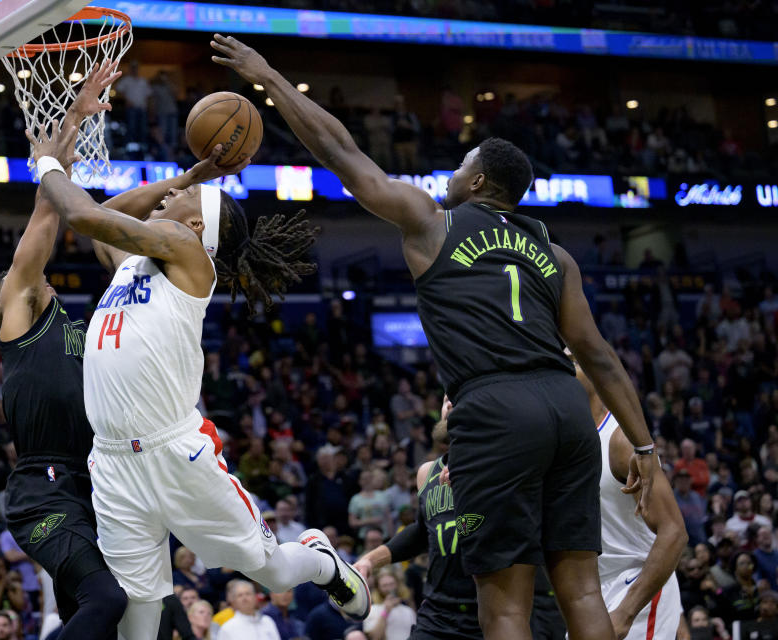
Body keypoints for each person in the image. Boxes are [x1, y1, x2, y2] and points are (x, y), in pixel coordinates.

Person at [210, 34, 657, 640]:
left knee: (503, 606)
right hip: (567, 408)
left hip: (498, 409)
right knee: (581, 590)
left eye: (461, 165)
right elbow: (599, 356)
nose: (452, 173)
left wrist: (268, 76)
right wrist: (645, 446)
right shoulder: (556, 255)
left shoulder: (432, 222)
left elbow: (340, 150)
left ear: (477, 183)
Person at [25, 61, 365, 639]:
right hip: (112, 461)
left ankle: (321, 558)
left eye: (184, 199)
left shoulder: (190, 259)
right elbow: (99, 222)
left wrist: (48, 163)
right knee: (139, 614)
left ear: (194, 226)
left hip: (177, 453)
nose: (168, 199)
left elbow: (83, 213)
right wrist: (195, 172)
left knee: (272, 569)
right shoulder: (137, 263)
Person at [0, 64, 130, 640]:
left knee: (92, 619)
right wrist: (69, 124)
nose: (37, 274)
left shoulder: (79, 326)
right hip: (42, 489)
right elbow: (49, 211)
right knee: (105, 601)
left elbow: (111, 250)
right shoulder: (20, 321)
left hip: (94, 480)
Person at [573, 352, 687, 638]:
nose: (559, 369)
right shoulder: (564, 443)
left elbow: (673, 532)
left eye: (572, 361)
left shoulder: (621, 439)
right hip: (589, 595)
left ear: (595, 372)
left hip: (633, 592)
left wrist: (625, 613)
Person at [355, 401, 482, 640]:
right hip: (438, 612)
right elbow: (423, 533)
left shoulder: (499, 463)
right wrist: (370, 560)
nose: (449, 404)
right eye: (445, 400)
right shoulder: (427, 472)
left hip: (488, 609)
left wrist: (473, 482)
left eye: (456, 395)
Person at [361, 569, 416, 640]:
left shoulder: (408, 611)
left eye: (391, 584)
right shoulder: (372, 610)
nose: (389, 588)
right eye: (385, 585)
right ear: (378, 588)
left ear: (397, 584)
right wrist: (386, 612)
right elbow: (374, 637)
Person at [216, 580, 280, 640]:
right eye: (240, 595)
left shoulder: (267, 621)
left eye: (248, 594)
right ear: (234, 601)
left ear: (255, 597)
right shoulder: (227, 628)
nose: (244, 598)